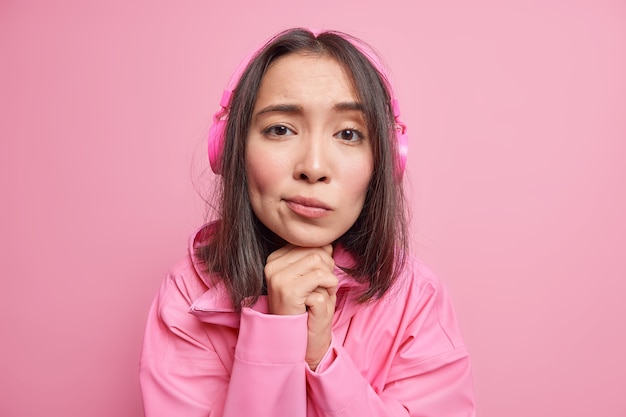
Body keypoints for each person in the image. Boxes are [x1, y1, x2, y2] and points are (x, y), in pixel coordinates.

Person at [139, 27, 475, 416]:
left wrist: (322, 359)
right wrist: (275, 336)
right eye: (280, 129)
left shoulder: (417, 299)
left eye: (348, 133)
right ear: (230, 148)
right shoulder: (186, 295)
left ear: (386, 160)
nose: (313, 168)